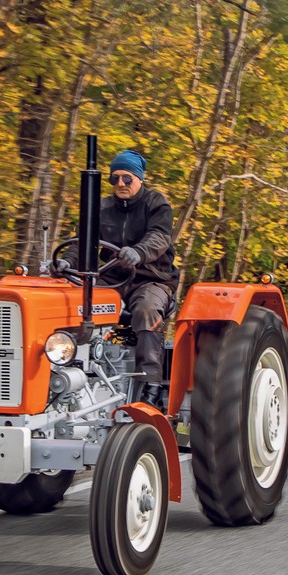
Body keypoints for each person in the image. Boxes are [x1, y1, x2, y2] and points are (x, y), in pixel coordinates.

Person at [96, 149, 176, 403]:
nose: (120, 183)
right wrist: (67, 261)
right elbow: (82, 245)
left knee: (146, 310)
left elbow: (160, 237)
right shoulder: (102, 208)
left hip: (151, 277)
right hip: (111, 279)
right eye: (115, 178)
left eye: (127, 178)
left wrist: (139, 252)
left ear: (139, 178)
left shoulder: (156, 203)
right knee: (77, 305)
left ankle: (150, 387)